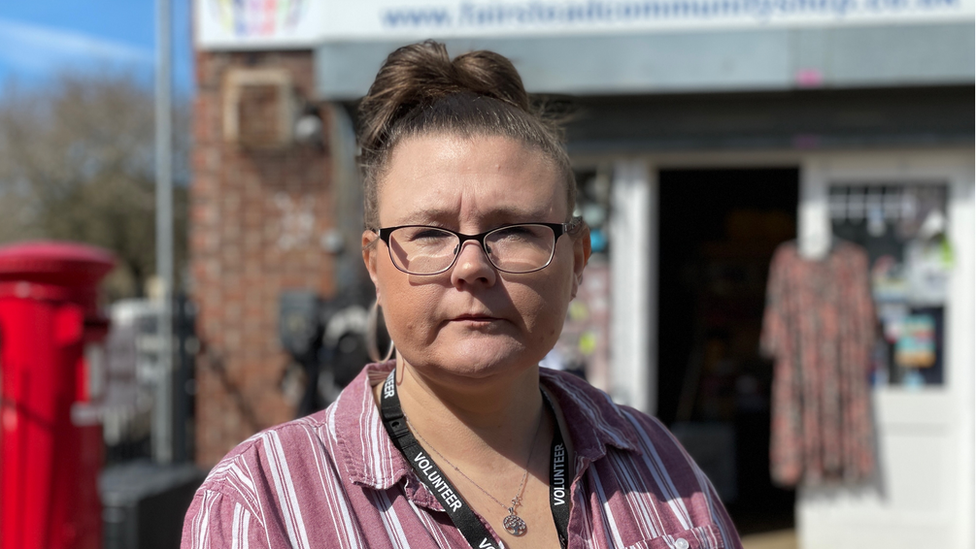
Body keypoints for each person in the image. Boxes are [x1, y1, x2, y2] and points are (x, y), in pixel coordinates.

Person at [182, 40, 742, 549]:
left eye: (515, 230)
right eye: (428, 233)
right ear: (374, 264)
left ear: (576, 261)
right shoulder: (262, 507)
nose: (472, 266)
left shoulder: (658, 463)